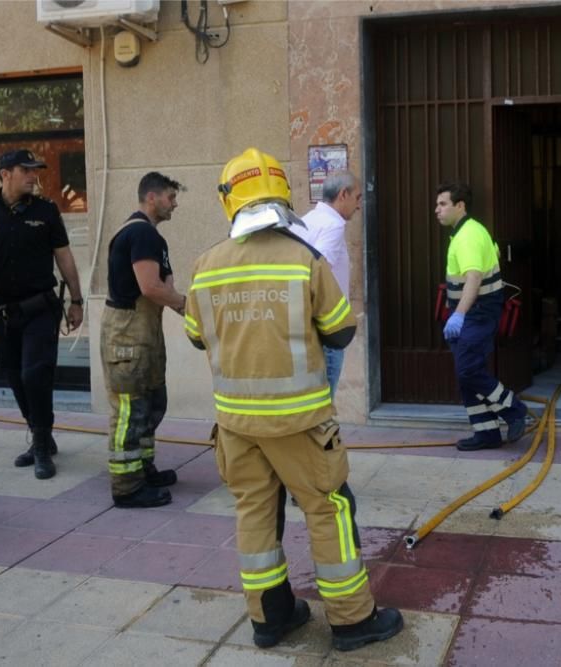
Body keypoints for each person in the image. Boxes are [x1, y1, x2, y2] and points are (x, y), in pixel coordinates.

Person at [184, 148, 403, 652]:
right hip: (300, 423)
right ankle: (351, 620)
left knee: (255, 512)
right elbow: (342, 332)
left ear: (229, 200)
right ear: (282, 195)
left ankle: (271, 618)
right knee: (329, 509)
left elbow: (197, 336)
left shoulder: (206, 265)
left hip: (236, 425)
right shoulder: (304, 258)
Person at [0, 149, 84, 480]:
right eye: (26, 170)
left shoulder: (47, 211)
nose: (33, 175)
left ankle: (40, 445)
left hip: (40, 308)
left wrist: (76, 300)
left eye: (35, 170)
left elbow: (64, 257)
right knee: (14, 376)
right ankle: (42, 433)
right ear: (5, 173)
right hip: (2, 313)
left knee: (35, 374)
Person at [100, 172, 187, 508]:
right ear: (151, 197)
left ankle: (143, 468)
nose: (174, 204)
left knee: (152, 403)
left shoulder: (149, 236)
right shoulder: (141, 234)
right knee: (130, 411)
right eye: (170, 197)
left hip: (142, 334)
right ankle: (127, 486)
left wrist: (179, 300)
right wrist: (185, 305)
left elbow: (163, 284)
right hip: (128, 336)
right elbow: (151, 287)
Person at [435, 182, 527, 450]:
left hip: (476, 313)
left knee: (468, 370)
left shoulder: (468, 236)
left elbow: (474, 278)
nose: (437, 210)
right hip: (472, 312)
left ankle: (513, 408)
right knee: (467, 374)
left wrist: (459, 315)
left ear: (460, 206)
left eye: (443, 204)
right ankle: (486, 433)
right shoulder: (469, 231)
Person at [293, 171, 361, 397]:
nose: (359, 205)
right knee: (324, 402)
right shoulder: (333, 226)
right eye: (357, 198)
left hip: (306, 324)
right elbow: (317, 274)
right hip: (326, 327)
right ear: (343, 194)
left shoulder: (306, 220)